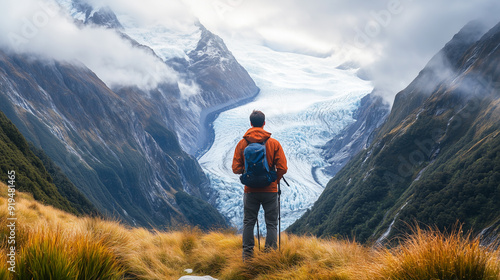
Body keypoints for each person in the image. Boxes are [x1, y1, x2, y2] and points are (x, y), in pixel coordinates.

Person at [232, 110, 288, 261]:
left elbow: (235, 168)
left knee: (249, 222)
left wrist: (247, 172)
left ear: (250, 123)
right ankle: (269, 257)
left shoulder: (242, 144)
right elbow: (282, 167)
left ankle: (247, 257)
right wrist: (274, 178)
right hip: (270, 190)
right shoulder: (274, 143)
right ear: (264, 123)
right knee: (271, 224)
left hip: (250, 191)